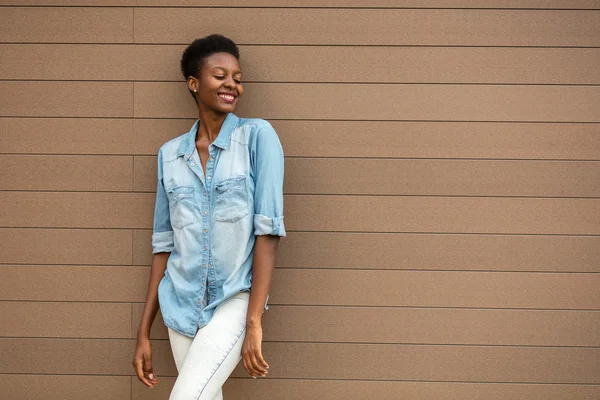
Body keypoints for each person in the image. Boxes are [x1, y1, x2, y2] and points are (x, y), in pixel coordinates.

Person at [131, 34, 286, 400]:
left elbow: (268, 232)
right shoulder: (169, 155)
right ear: (194, 83)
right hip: (180, 304)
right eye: (220, 75)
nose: (232, 84)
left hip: (234, 297)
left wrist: (253, 322)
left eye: (237, 76)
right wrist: (143, 332)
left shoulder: (257, 137)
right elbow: (163, 247)